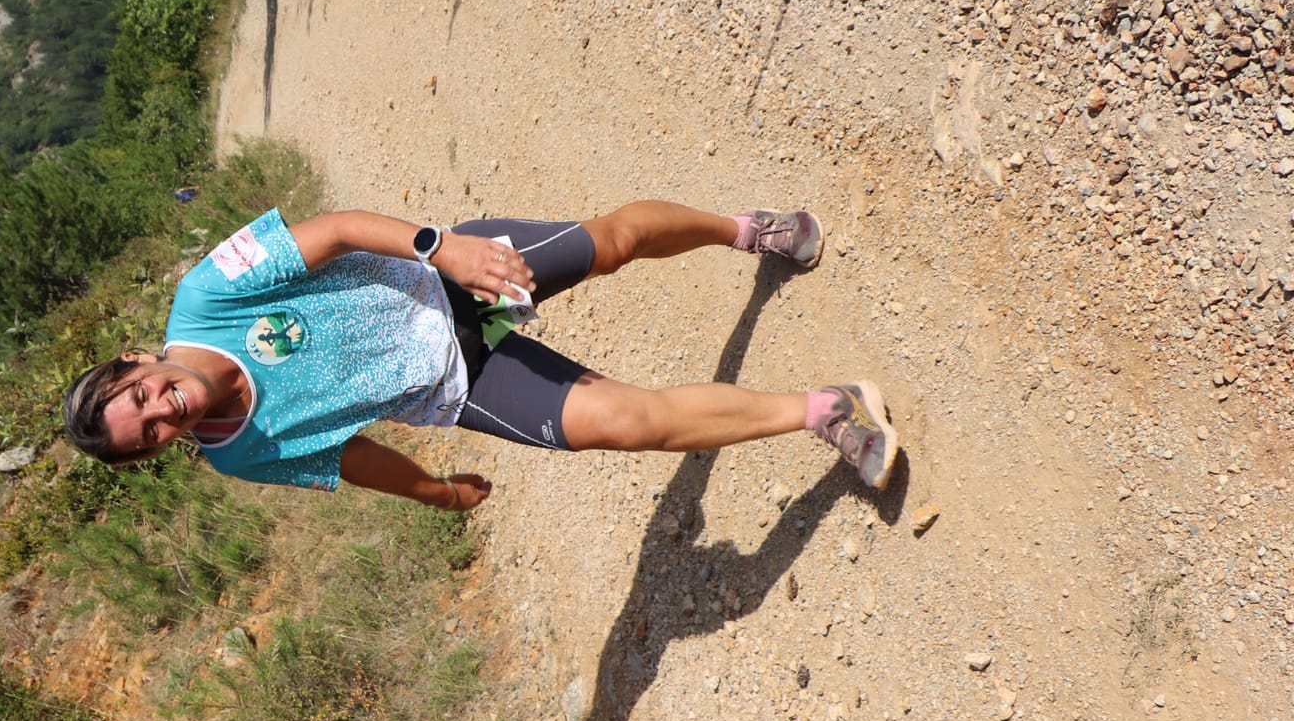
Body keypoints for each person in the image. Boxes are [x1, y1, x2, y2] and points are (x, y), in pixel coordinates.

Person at [60, 200, 899, 509]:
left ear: (133, 363)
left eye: (140, 397)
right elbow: (350, 458)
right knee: (627, 423)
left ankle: (746, 230)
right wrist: (437, 492)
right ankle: (826, 410)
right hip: (457, 383)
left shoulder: (207, 295)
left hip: (444, 280)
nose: (162, 412)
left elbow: (338, 230)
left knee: (612, 243)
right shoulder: (238, 453)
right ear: (157, 453)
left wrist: (444, 247)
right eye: (149, 436)